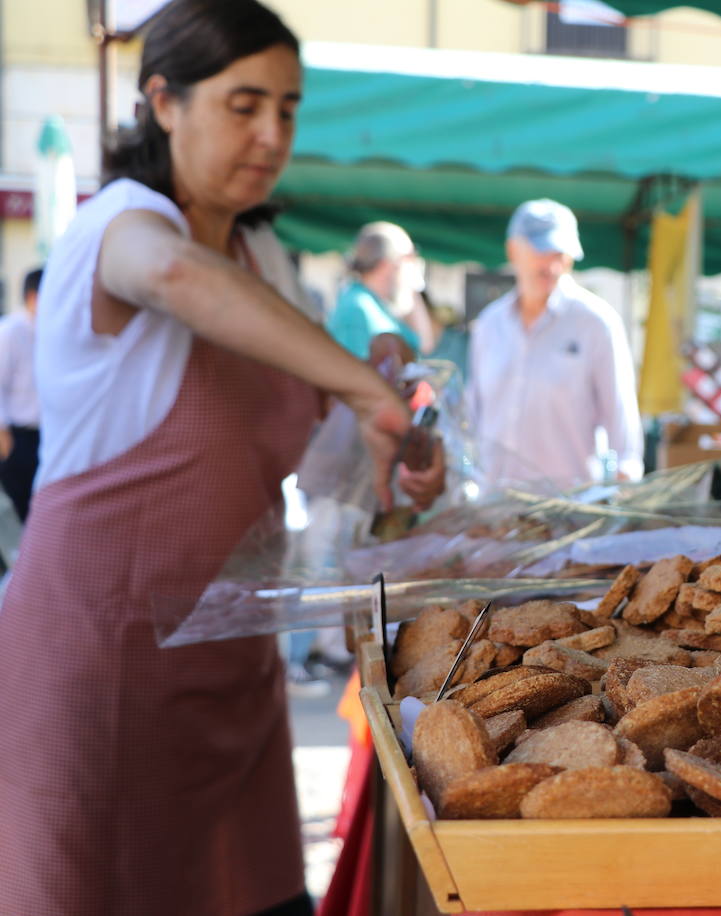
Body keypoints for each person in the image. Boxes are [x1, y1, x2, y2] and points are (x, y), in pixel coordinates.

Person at [0, 2, 444, 914]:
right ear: (163, 102)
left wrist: (385, 420)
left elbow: (323, 461)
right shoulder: (118, 225)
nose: (272, 133)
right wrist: (361, 387)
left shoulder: (264, 257)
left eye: (287, 108)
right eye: (243, 105)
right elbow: (170, 277)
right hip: (97, 657)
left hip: (231, 664)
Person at [467, 199, 643, 490]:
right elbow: (473, 415)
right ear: (513, 250)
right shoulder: (489, 325)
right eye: (541, 250)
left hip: (571, 511)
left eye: (561, 253)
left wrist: (625, 486)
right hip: (495, 508)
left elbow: (622, 425)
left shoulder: (596, 323)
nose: (551, 264)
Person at [327, 221, 436, 359]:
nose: (414, 265)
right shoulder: (356, 308)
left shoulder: (375, 303)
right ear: (386, 264)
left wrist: (412, 287)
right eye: (409, 258)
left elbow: (423, 344)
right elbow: (351, 373)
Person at [0, 267, 43, 520]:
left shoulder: (52, 332)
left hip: (46, 433)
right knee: (19, 506)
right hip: (18, 435)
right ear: (33, 297)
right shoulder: (10, 331)